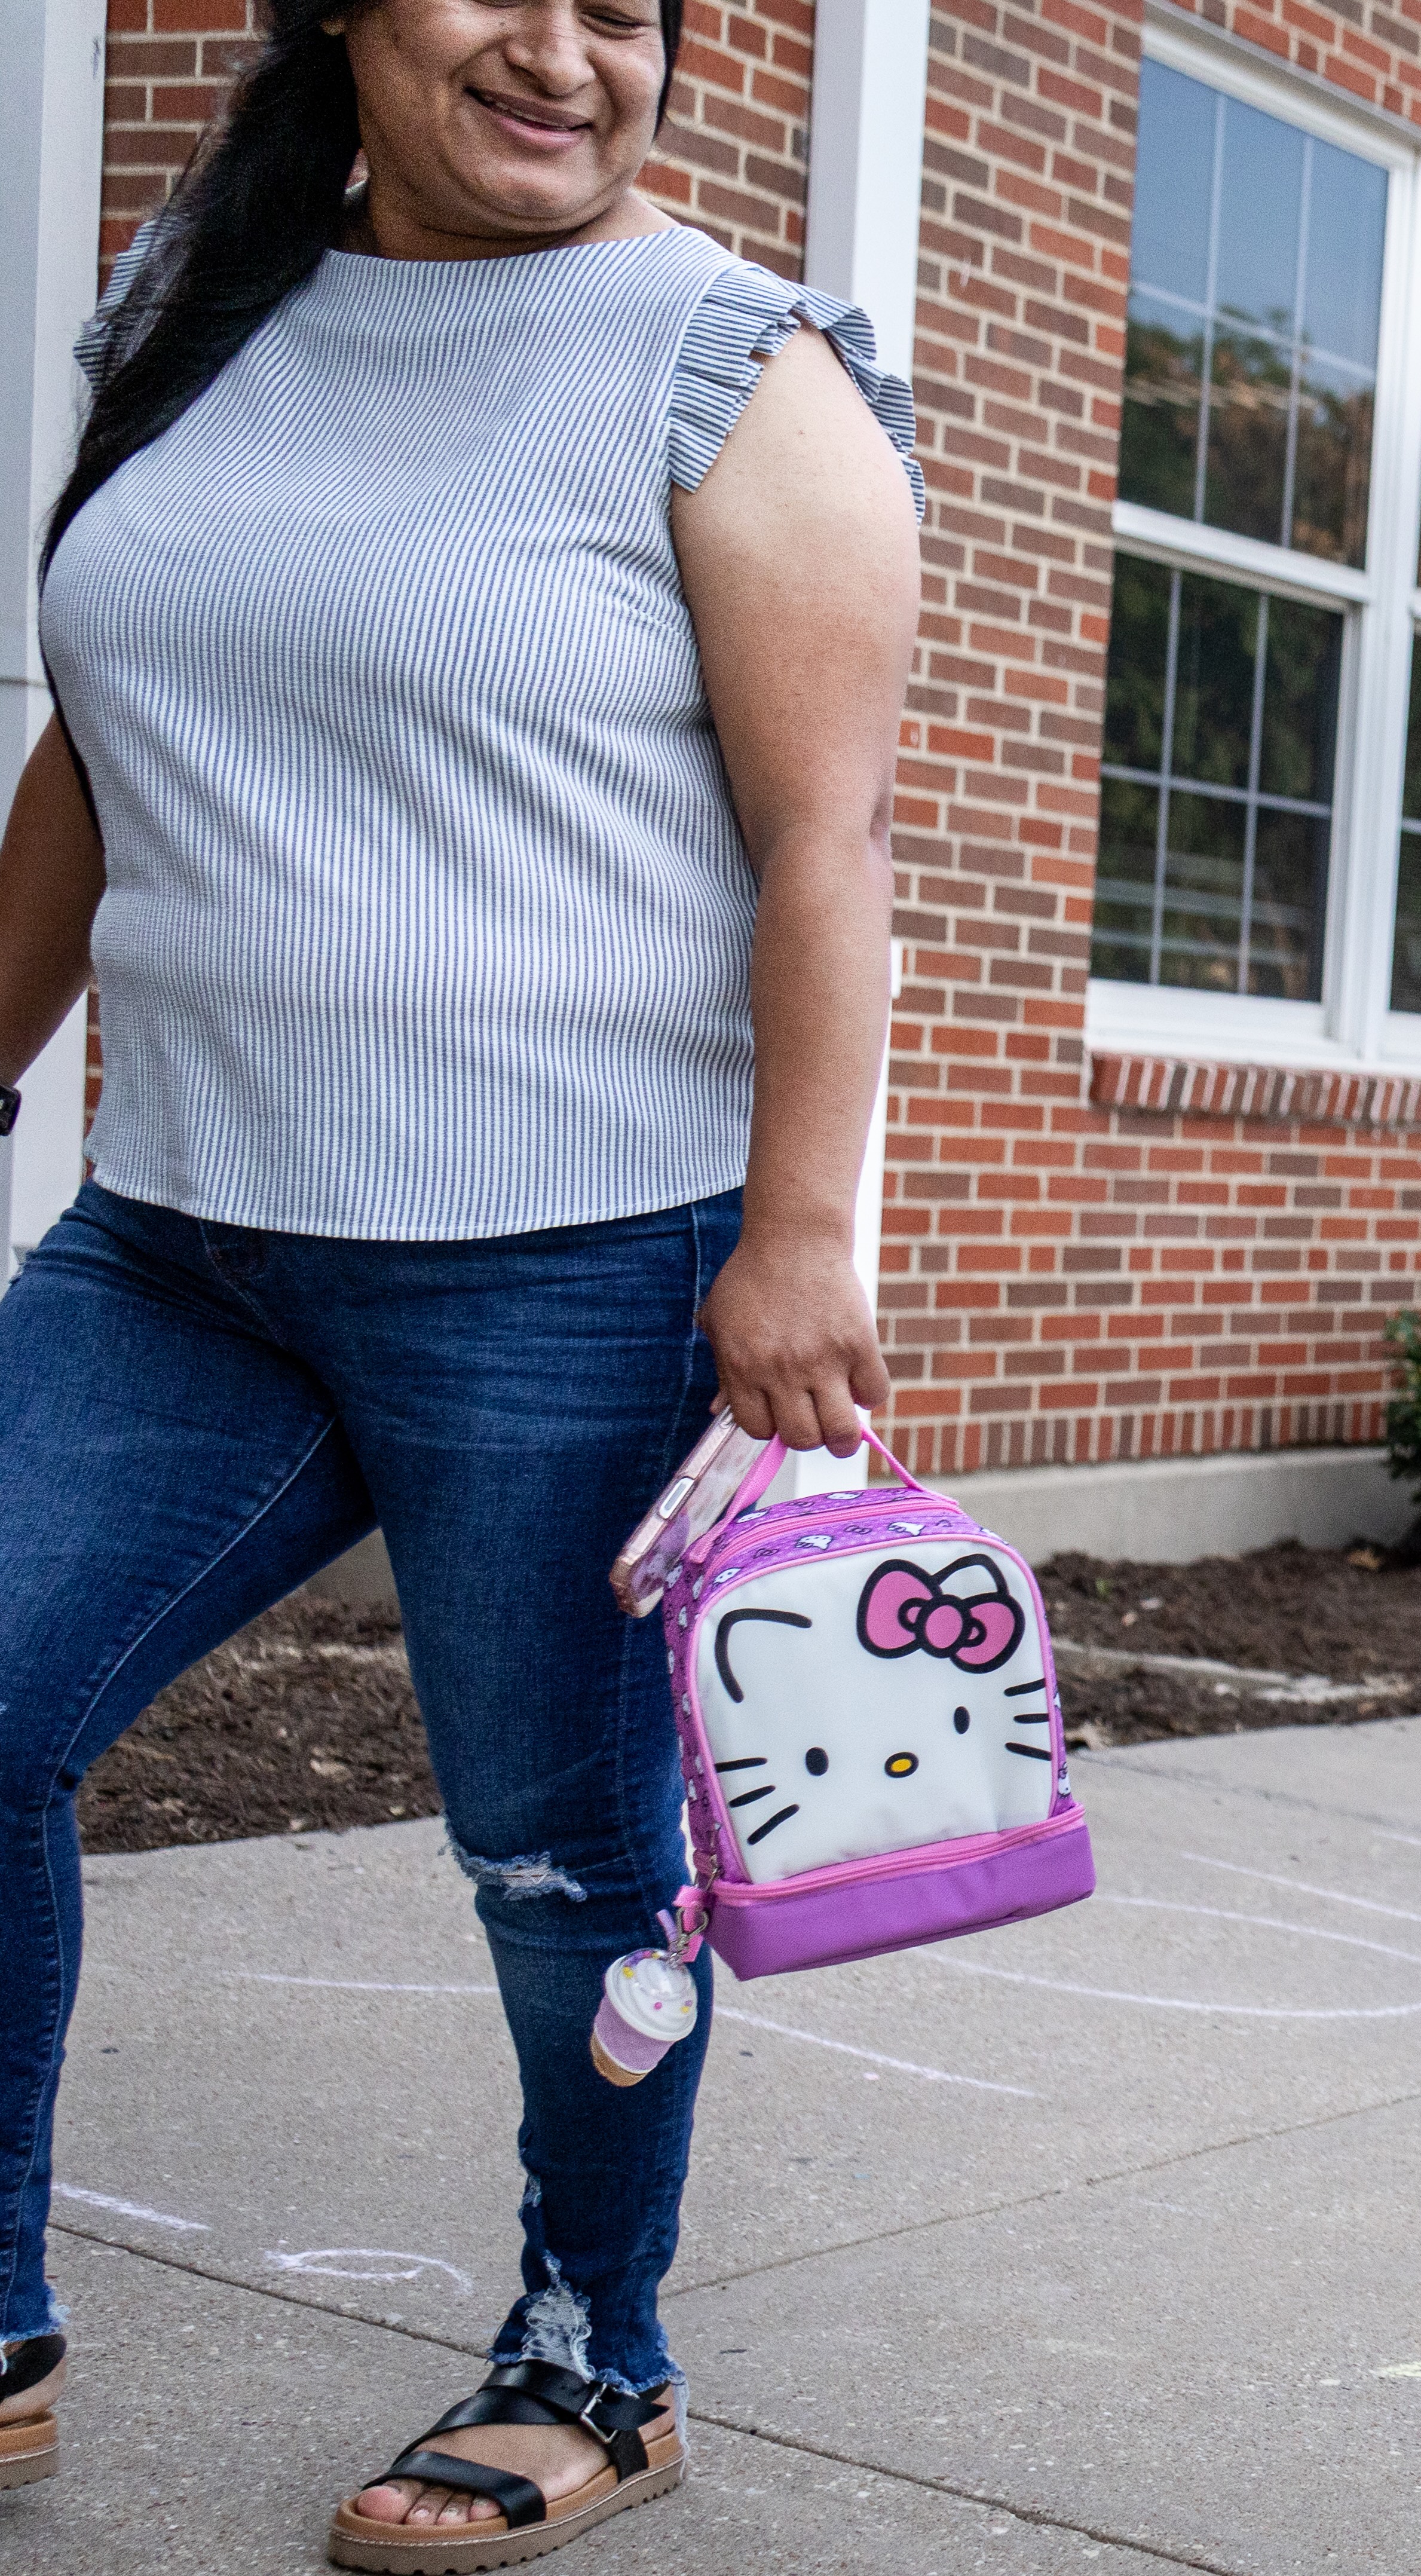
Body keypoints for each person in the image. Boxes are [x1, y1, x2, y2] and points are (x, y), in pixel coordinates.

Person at [0, 0, 921, 2551]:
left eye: (621, 2)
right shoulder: (203, 316)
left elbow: (827, 844)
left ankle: (588, 2360)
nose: (564, 46)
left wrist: (799, 1229)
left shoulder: (733, 366)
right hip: (183, 1234)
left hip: (569, 1262)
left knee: (561, 1865)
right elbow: (100, 739)